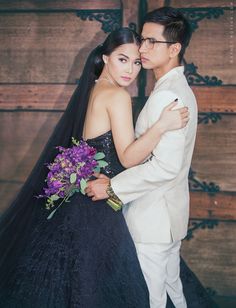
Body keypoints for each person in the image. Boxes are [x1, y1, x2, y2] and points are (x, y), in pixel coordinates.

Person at [0, 27, 188, 307]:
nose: (131, 70)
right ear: (105, 57)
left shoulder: (95, 89)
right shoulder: (117, 96)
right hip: (99, 207)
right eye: (122, 59)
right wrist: (162, 126)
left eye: (137, 62)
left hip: (83, 201)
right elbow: (127, 158)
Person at [86, 7, 218, 308]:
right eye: (141, 40)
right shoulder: (178, 88)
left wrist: (111, 187)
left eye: (151, 42)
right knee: (173, 292)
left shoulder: (166, 95)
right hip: (166, 215)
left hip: (153, 218)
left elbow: (164, 167)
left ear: (174, 48)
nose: (142, 48)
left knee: (151, 299)